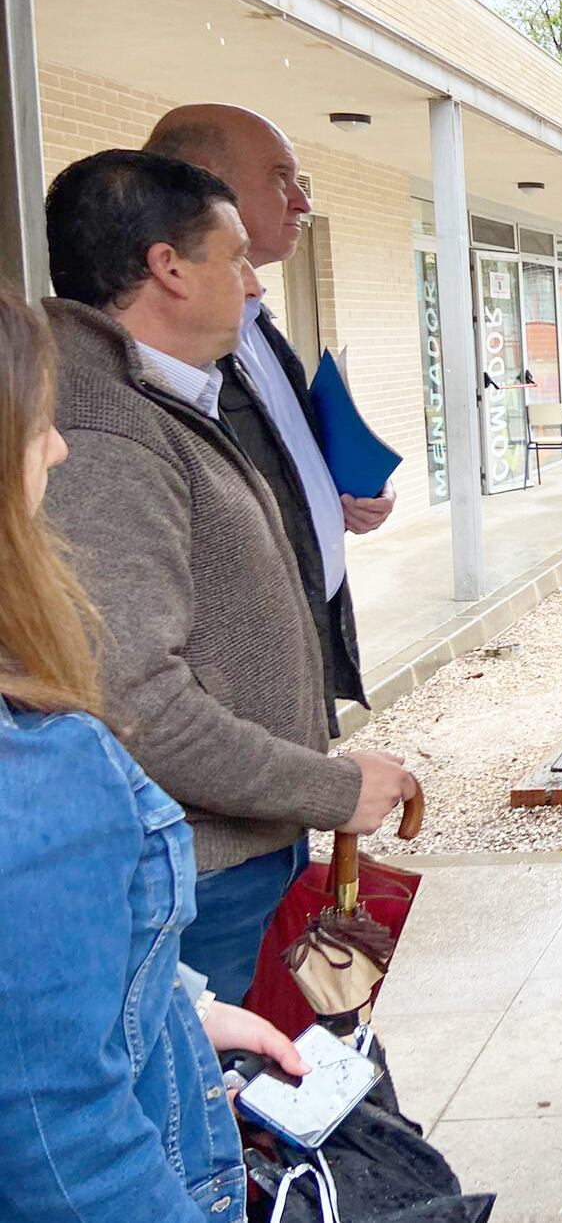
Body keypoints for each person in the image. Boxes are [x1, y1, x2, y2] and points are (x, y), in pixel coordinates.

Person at [40, 149, 416, 1005]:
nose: (254, 284)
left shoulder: (158, 398)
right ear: (167, 269)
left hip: (237, 852)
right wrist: (332, 787)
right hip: (199, 878)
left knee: (305, 1085)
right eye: (236, 256)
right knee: (241, 1118)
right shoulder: (107, 437)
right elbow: (133, 699)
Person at [0, 291, 311, 1221]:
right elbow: (68, 1152)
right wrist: (330, 788)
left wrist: (173, 1014)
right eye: (34, 423)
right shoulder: (41, 768)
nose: (57, 448)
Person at [144, 104, 392, 739]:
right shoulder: (169, 350)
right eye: (282, 177)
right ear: (205, 183)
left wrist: (335, 496)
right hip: (234, 697)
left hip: (297, 648)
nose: (302, 203)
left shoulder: (254, 322)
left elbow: (274, 456)